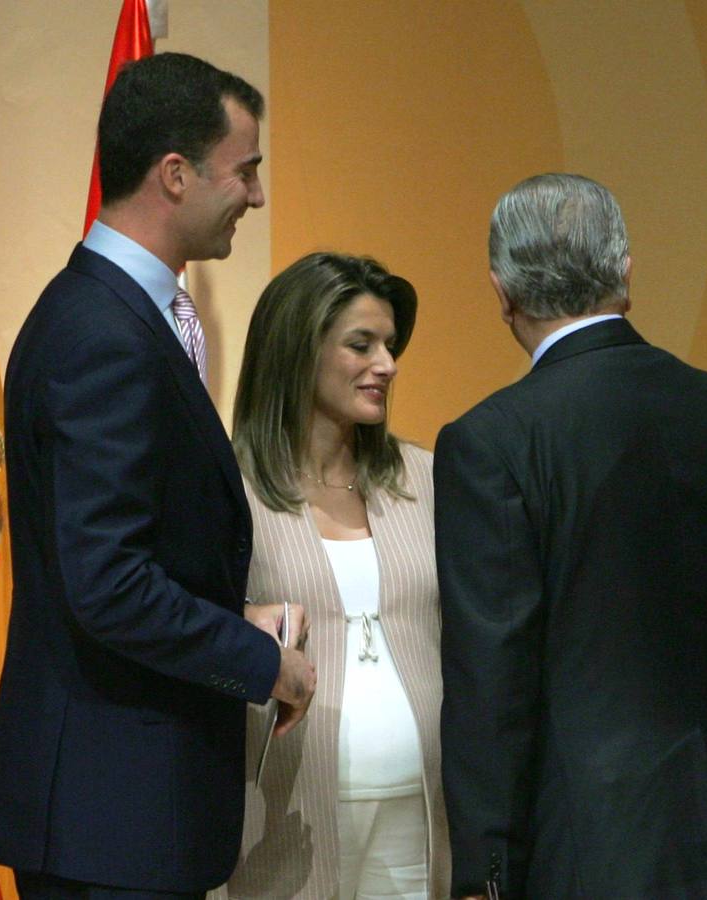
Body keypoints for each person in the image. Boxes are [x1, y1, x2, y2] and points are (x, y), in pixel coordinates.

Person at [0, 53, 316, 899]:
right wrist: (258, 661)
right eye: (246, 171)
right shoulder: (104, 334)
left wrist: (234, 612)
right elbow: (109, 583)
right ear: (174, 174)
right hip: (111, 821)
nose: (257, 196)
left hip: (111, 814)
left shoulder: (109, 313)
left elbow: (123, 553)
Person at [436, 173, 707, 899]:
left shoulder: (490, 440)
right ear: (626, 275)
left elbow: (492, 678)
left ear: (502, 291)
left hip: (584, 846)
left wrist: (486, 869)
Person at [218, 252, 450, 900]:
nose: (388, 365)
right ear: (299, 348)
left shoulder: (426, 480)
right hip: (284, 832)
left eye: (390, 345)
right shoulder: (229, 492)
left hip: (419, 821)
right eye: (361, 344)